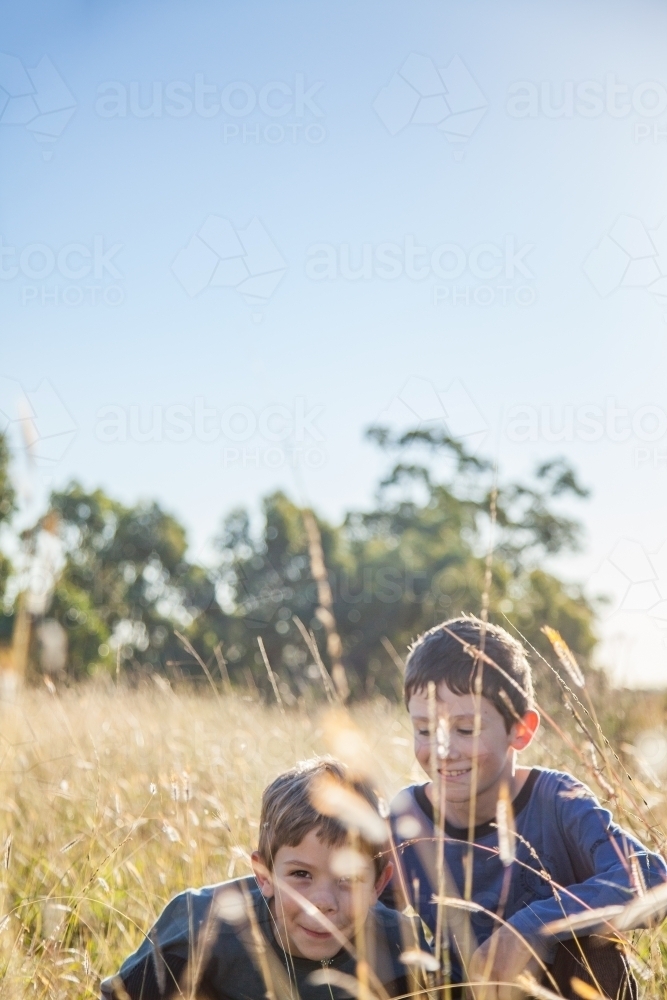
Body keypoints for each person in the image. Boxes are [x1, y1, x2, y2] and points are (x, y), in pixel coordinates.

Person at [383, 616, 667, 1000]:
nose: (443, 751)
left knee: (594, 947)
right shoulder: (408, 818)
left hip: (566, 987)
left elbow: (653, 879)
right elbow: (358, 910)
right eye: (424, 729)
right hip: (465, 989)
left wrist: (531, 927)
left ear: (521, 729)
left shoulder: (557, 800)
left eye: (466, 730)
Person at [101, 757, 424, 1000]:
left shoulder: (404, 952)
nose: (322, 903)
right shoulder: (199, 928)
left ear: (378, 885)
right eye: (301, 875)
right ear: (264, 875)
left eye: (348, 879)